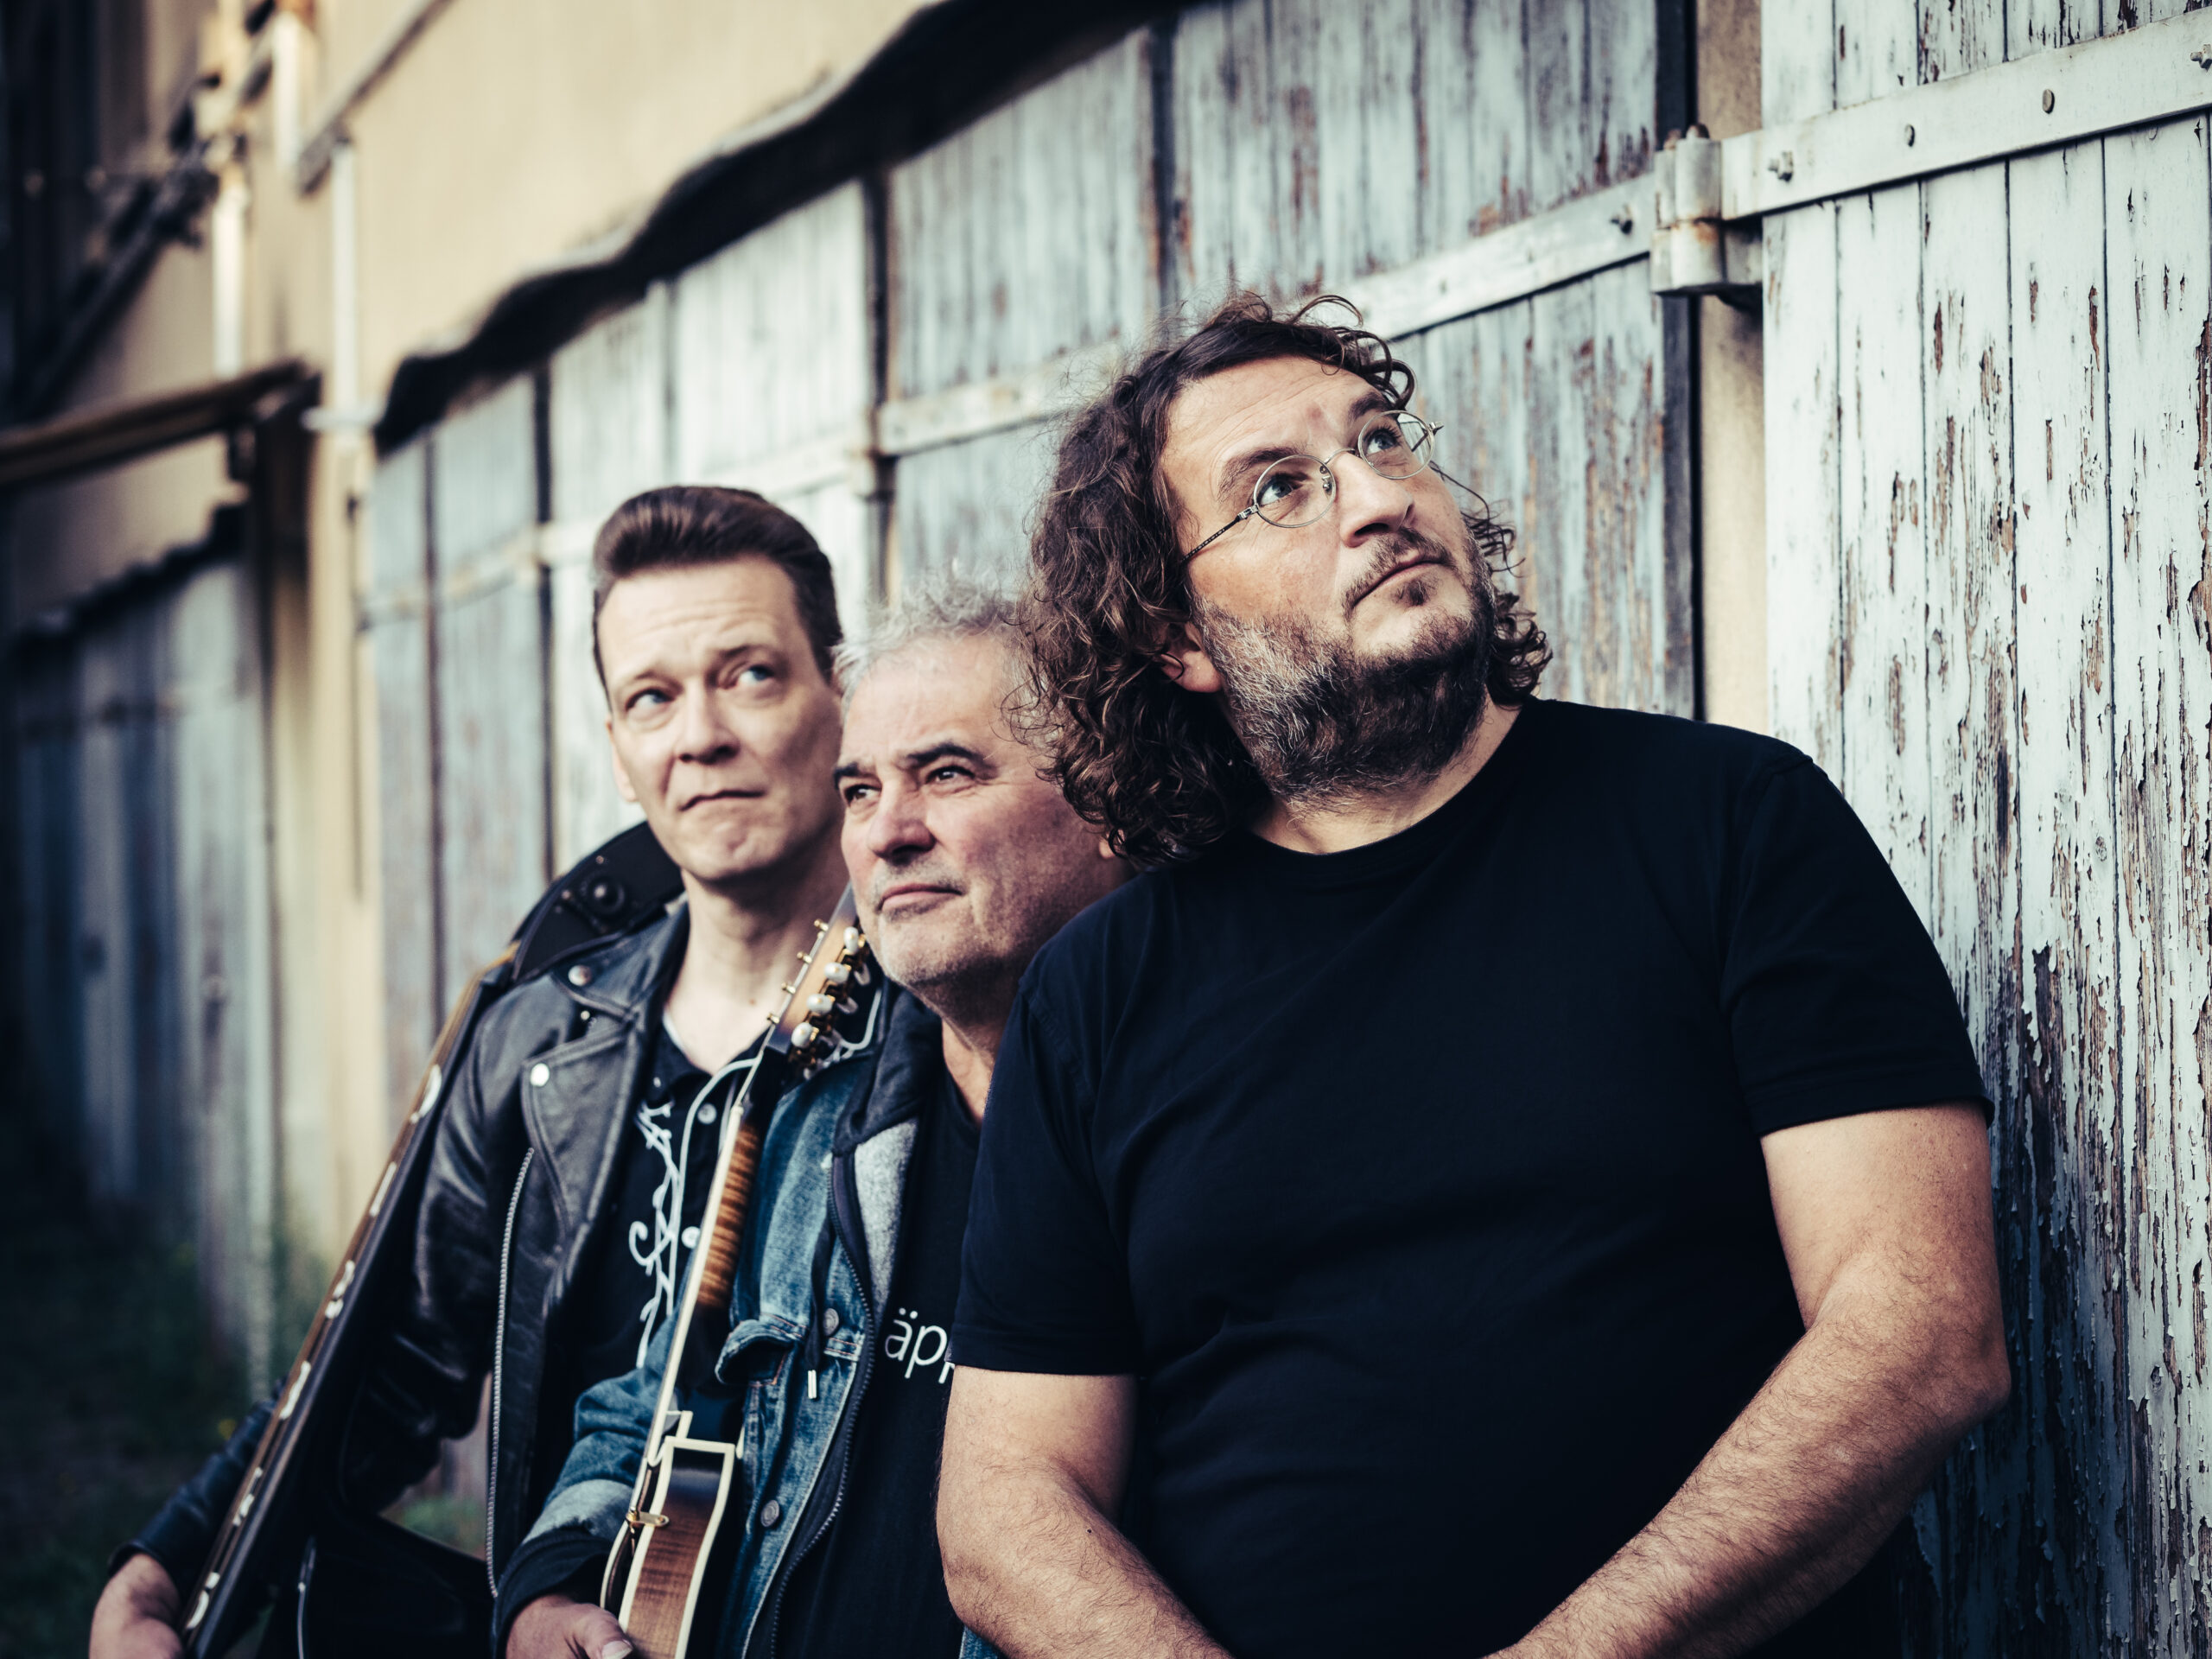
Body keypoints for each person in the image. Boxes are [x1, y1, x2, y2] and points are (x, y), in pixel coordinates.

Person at [938, 294, 2012, 1659]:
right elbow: (1006, 1502)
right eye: (1279, 489)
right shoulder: (1098, 990)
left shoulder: (1728, 825)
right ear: (1179, 640)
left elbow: (1919, 1331)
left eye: (1381, 441)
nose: (1379, 498)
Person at [91, 486, 857, 1659]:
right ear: (620, 752)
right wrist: (162, 1569)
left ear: (842, 695)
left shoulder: (933, 1026)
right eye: (651, 697)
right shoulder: (541, 1044)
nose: (699, 735)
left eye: (749, 675)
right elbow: (391, 1365)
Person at [504, 585, 1127, 1659]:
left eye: (946, 773)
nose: (886, 833)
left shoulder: (1191, 1155)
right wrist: (546, 1592)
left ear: (1109, 801)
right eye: (859, 791)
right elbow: (653, 1403)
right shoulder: (808, 1128)